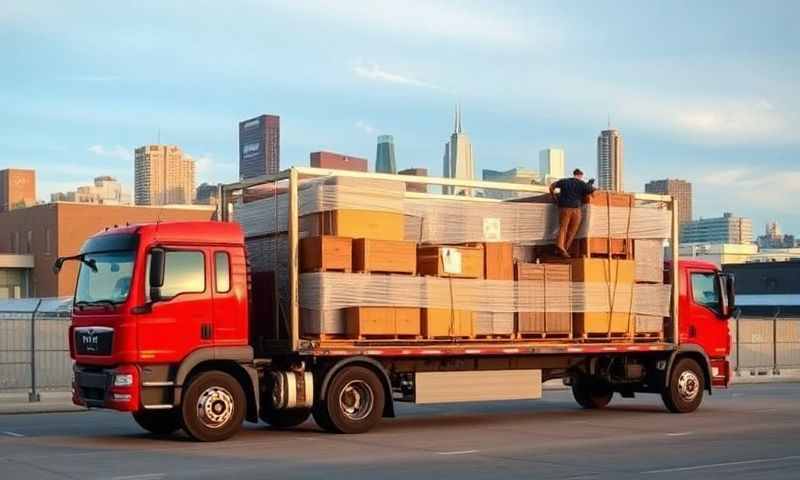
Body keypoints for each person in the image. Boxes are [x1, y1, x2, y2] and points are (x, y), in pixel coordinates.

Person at [549, 169, 596, 257]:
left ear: (574, 174)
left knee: (563, 228)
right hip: (576, 209)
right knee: (572, 231)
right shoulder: (581, 184)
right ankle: (564, 248)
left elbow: (552, 186)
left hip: (564, 208)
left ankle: (560, 247)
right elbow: (591, 190)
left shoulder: (564, 181)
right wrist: (590, 183)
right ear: (580, 175)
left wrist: (554, 196)